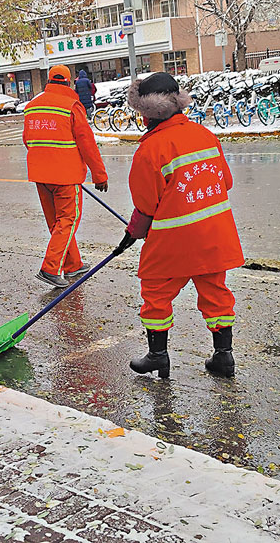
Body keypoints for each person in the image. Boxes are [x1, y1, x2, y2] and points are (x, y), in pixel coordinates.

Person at [120, 72, 244, 379]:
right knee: (216, 294)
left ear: (145, 113)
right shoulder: (205, 136)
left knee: (156, 295)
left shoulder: (150, 150)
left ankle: (158, 356)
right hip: (214, 238)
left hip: (173, 245)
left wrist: (132, 233)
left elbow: (147, 207)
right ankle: (223, 356)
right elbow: (224, 182)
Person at [23, 64, 109, 289]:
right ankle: (50, 269)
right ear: (69, 82)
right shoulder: (71, 106)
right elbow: (87, 143)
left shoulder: (31, 107)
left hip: (41, 175)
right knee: (68, 221)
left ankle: (73, 264)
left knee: (57, 223)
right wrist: (99, 175)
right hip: (66, 176)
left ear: (48, 81)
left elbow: (27, 140)